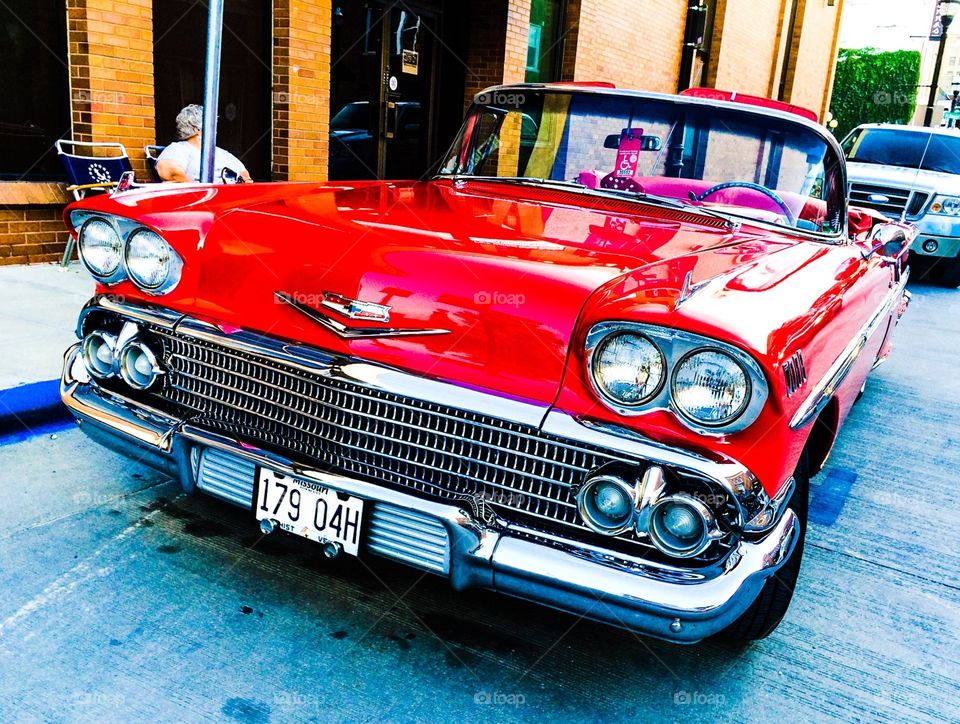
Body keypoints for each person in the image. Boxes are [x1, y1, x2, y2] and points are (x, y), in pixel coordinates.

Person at [155, 104, 252, 183]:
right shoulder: (178, 149)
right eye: (212, 125)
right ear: (197, 129)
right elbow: (169, 173)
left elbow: (245, 175)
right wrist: (199, 191)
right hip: (201, 198)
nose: (215, 130)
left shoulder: (222, 153)